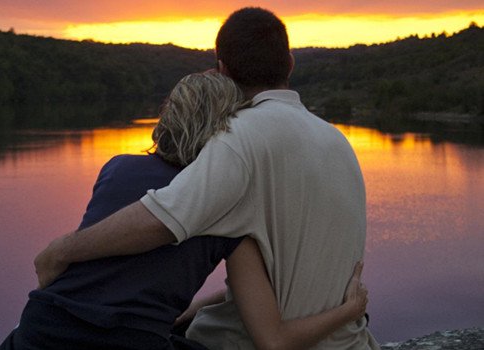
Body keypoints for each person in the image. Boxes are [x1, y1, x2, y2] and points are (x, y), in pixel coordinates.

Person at [34, 7, 380, 349]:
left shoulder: (239, 137)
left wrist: (61, 251)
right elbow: (281, 281)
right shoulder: (337, 141)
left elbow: (163, 219)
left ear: (222, 70)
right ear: (289, 63)